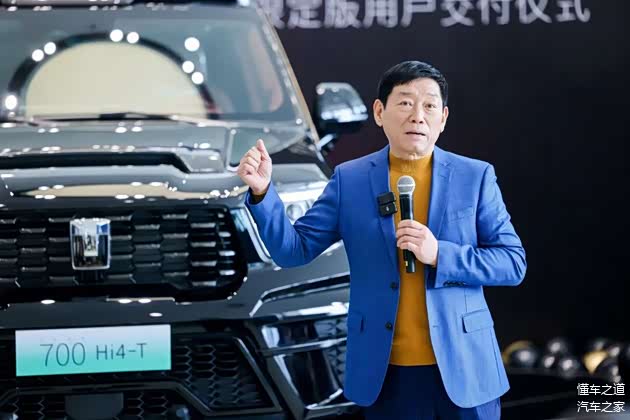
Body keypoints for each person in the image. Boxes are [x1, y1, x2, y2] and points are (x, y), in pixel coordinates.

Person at [237, 60, 526, 420]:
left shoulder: (475, 176)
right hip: (387, 374)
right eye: (405, 102)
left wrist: (440, 254)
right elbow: (293, 250)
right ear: (379, 112)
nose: (417, 116)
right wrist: (264, 193)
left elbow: (512, 263)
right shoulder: (350, 180)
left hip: (466, 368)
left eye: (429, 105)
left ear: (443, 118)